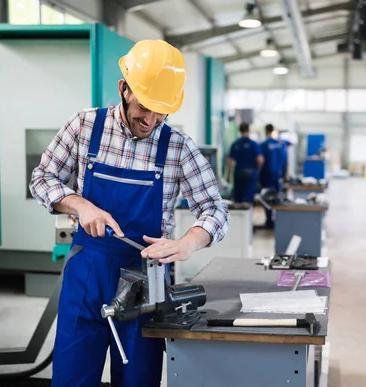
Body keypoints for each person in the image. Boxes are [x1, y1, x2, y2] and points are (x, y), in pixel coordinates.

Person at [29, 40, 229, 387]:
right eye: (145, 107)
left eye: (161, 112)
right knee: (72, 378)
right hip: (87, 274)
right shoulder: (84, 127)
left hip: (146, 282)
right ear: (124, 88)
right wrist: (80, 204)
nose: (150, 121)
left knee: (138, 380)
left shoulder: (179, 147)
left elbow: (215, 209)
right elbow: (42, 178)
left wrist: (188, 243)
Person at [226, 122, 263, 203]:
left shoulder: (235, 144)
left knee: (238, 200)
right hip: (251, 174)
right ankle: (248, 215)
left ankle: (239, 215)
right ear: (248, 130)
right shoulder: (254, 144)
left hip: (239, 173)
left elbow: (229, 162)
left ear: (240, 130)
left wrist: (228, 176)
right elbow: (260, 160)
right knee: (248, 201)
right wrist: (257, 171)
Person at [260, 123, 285, 228]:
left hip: (267, 175)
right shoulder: (280, 144)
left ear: (265, 131)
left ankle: (269, 221)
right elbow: (284, 160)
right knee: (277, 197)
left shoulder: (264, 145)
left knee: (267, 197)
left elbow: (261, 161)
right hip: (278, 175)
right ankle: (278, 220)